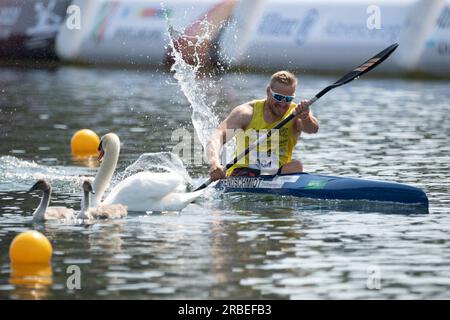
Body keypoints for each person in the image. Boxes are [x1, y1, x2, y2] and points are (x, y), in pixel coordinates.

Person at [207, 71, 319, 181]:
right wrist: (214, 163)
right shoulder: (246, 113)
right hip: (244, 171)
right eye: (278, 97)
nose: (283, 104)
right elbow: (217, 136)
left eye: (288, 99)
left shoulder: (296, 113)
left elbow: (312, 129)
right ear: (268, 91)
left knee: (296, 166)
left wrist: (305, 117)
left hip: (276, 173)